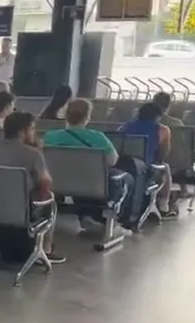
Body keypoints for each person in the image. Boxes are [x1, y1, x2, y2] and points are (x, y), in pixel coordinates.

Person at [0, 112, 63, 263]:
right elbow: (45, 183)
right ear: (21, 132)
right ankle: (46, 249)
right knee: (50, 197)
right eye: (31, 129)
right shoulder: (32, 154)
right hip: (21, 209)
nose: (34, 132)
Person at [42, 98, 131, 231]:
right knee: (125, 178)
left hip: (57, 184)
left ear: (66, 115)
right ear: (87, 116)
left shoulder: (50, 137)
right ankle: (111, 220)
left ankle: (86, 216)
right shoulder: (98, 138)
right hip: (91, 185)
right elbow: (112, 161)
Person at [118, 102, 176, 220]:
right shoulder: (163, 130)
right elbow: (163, 155)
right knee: (165, 167)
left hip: (123, 168)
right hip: (145, 170)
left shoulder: (124, 127)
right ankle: (163, 207)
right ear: (158, 116)